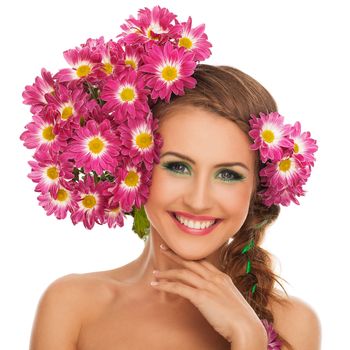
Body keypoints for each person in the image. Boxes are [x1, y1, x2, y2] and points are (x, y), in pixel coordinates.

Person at [28, 64, 321, 350]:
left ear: (258, 187)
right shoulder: (72, 306)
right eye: (178, 167)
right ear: (135, 167)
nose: (198, 200)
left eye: (228, 174)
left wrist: (248, 337)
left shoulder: (294, 325)